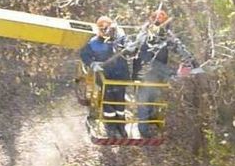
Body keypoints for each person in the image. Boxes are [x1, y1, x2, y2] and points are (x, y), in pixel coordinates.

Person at [129, 10, 197, 138]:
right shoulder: (145, 34)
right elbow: (144, 56)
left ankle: (150, 123)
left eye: (162, 18)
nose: (159, 20)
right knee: (144, 100)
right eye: (156, 17)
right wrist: (171, 73)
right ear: (152, 19)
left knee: (154, 99)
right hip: (144, 74)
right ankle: (143, 130)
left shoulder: (166, 35)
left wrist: (190, 60)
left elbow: (178, 46)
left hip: (158, 76)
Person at [80, 16, 129, 139]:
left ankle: (121, 126)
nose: (104, 31)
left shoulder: (120, 41)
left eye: (107, 28)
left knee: (120, 101)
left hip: (120, 76)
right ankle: (110, 127)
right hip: (105, 76)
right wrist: (92, 64)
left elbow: (130, 49)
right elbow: (84, 54)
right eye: (102, 28)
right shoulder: (94, 43)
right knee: (108, 101)